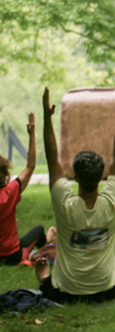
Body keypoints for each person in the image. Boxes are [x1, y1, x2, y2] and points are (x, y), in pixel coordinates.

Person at [35, 87, 115, 304]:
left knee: (46, 281)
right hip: (106, 291)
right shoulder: (112, 201)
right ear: (102, 177)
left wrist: (47, 117)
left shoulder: (64, 204)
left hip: (67, 292)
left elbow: (52, 158)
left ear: (75, 178)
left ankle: (43, 276)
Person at [1, 113, 50, 266]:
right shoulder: (10, 191)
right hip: (12, 255)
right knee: (39, 230)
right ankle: (46, 243)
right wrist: (32, 135)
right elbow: (30, 166)